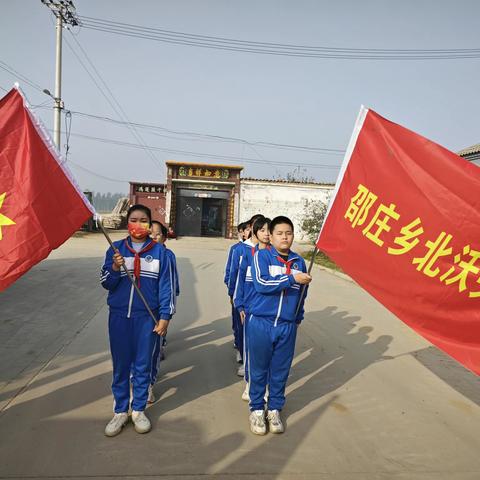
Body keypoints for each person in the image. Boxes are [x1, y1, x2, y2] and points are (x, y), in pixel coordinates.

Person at [100, 205, 174, 437]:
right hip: (119, 317)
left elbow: (167, 289)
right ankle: (120, 410)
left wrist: (165, 317)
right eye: (134, 219)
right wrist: (114, 267)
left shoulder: (161, 253)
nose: (138, 224)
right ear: (127, 222)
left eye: (144, 220)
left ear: (150, 224)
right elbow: (106, 282)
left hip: (147, 318)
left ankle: (139, 409)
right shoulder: (116, 249)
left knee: (143, 365)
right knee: (121, 365)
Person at [247, 216, 312, 435]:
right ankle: (256, 409)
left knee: (280, 371)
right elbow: (262, 283)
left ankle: (274, 409)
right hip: (261, 323)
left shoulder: (299, 262)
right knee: (258, 370)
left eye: (289, 233)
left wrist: (297, 318)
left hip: (286, 326)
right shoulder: (262, 257)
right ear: (271, 236)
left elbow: (302, 295)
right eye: (280, 233)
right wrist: (292, 279)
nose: (285, 237)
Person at [234, 216, 270, 401]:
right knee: (251, 350)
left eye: (268, 230)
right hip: (249, 310)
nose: (266, 234)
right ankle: (250, 384)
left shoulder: (275, 256)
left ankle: (264, 386)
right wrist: (239, 305)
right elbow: (240, 281)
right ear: (254, 232)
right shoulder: (248, 254)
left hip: (269, 311)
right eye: (262, 230)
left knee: (267, 352)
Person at [228, 214, 264, 376]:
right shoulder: (240, 249)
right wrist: (233, 295)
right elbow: (233, 273)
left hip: (261, 302)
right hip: (242, 298)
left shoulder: (267, 251)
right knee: (241, 329)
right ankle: (243, 357)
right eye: (257, 227)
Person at [148, 221, 180, 402]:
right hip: (141, 309)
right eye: (150, 233)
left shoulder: (168, 256)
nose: (153, 237)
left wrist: (173, 298)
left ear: (164, 237)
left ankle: (149, 383)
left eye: (157, 234)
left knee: (154, 346)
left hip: (161, 307)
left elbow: (172, 278)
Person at [224, 222, 247, 359]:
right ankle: (240, 346)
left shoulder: (265, 252)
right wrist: (232, 291)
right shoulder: (237, 249)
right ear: (242, 232)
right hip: (239, 293)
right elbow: (231, 272)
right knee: (238, 322)